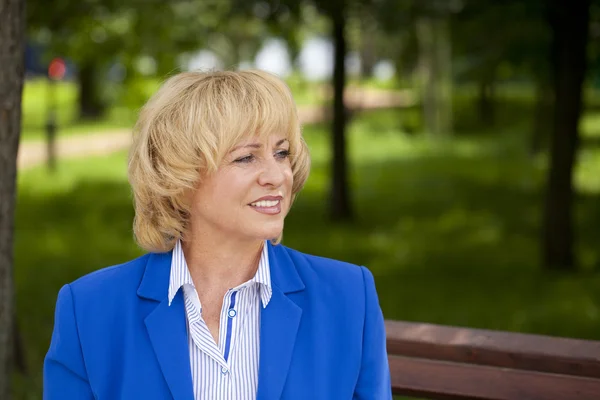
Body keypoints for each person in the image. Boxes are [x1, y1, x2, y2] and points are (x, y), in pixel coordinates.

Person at [43, 70, 391, 399]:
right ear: (179, 181)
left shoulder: (349, 296)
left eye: (281, 153)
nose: (276, 175)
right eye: (246, 158)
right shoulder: (89, 308)